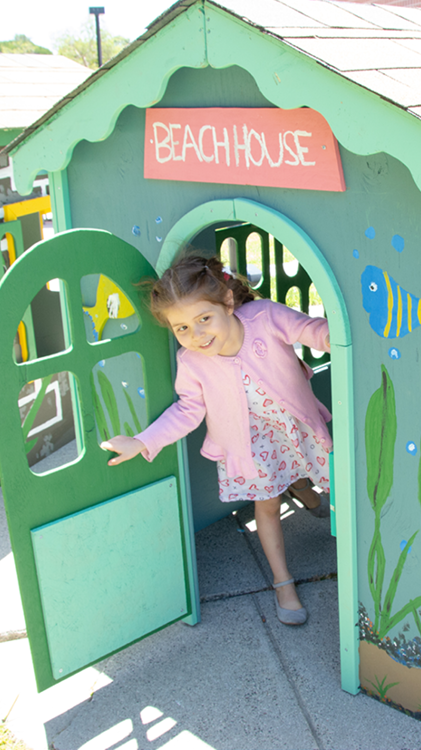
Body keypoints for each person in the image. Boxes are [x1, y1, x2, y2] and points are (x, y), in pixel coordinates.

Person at [102, 253, 332, 626]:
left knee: (314, 470)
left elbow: (311, 331)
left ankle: (304, 491)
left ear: (227, 303)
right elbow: (187, 411)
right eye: (182, 328)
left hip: (296, 426)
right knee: (267, 505)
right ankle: (282, 582)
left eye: (203, 319)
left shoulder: (266, 318)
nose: (196, 336)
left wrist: (333, 334)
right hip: (251, 447)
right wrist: (142, 441)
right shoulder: (192, 362)